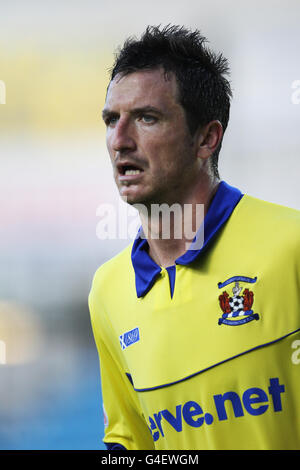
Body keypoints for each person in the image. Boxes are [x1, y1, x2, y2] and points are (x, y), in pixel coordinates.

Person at [89, 25, 300, 450]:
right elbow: (129, 441)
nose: (119, 141)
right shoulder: (107, 293)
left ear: (206, 138)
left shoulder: (290, 244)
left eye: (146, 118)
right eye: (112, 120)